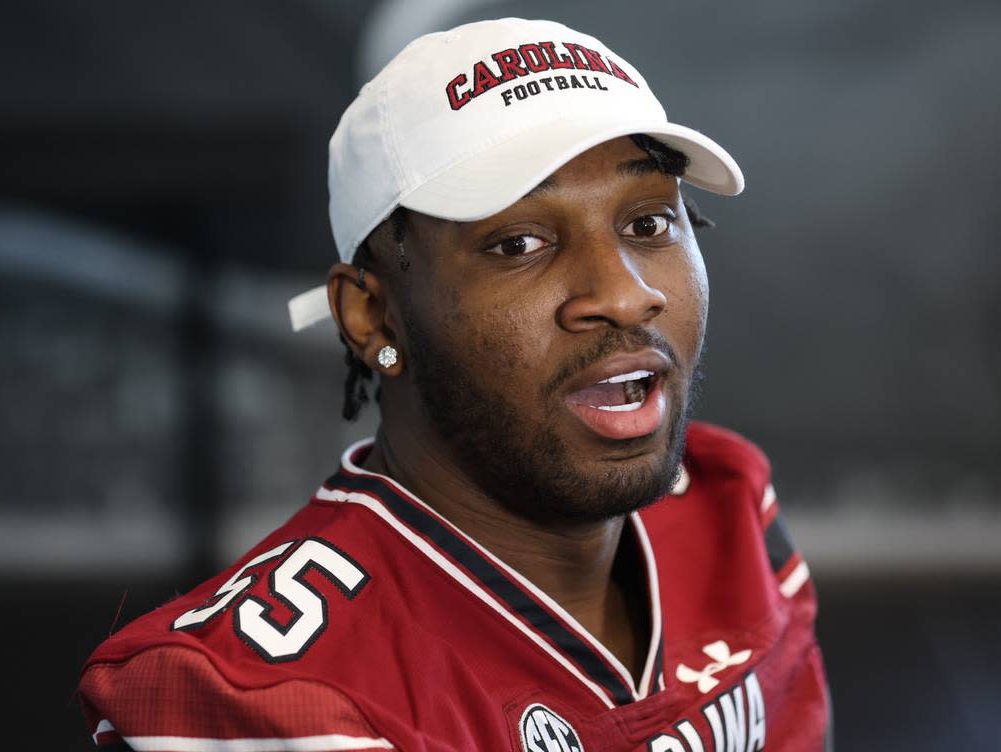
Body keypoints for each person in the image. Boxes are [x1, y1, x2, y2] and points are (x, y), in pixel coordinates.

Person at [79, 18, 831, 752]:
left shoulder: (724, 507)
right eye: (519, 243)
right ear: (372, 316)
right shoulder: (260, 701)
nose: (625, 294)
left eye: (647, 225)